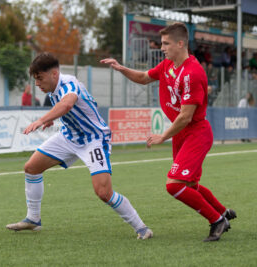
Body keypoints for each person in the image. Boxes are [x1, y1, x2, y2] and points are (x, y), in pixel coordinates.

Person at [101, 22, 236, 242]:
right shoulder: (168, 66)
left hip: (195, 133)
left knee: (174, 185)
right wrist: (121, 68)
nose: (162, 47)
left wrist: (163, 136)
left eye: (166, 43)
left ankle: (217, 220)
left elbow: (185, 116)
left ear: (180, 43)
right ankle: (222, 211)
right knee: (189, 185)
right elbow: (144, 78)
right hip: (182, 133)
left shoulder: (193, 73)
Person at [6, 52, 153, 240]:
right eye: (35, 79)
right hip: (69, 137)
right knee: (31, 168)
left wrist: (43, 119)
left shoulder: (69, 84)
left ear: (54, 74)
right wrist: (53, 120)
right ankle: (33, 219)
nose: (37, 84)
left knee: (103, 192)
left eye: (39, 78)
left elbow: (67, 104)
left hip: (94, 139)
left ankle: (141, 228)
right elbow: (66, 109)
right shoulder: (52, 88)